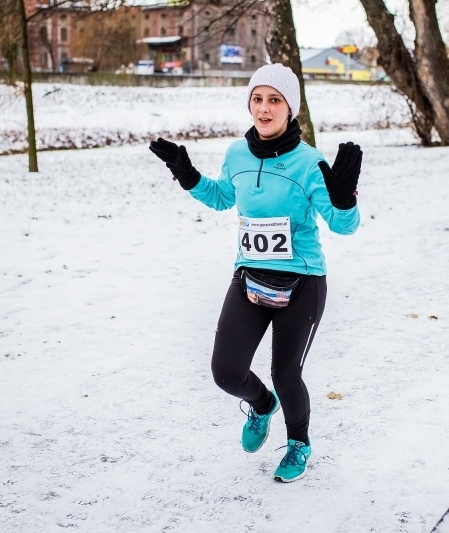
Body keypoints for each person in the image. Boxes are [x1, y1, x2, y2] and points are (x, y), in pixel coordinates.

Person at [149, 63, 362, 483]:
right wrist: (187, 175)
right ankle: (263, 406)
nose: (264, 109)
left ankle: (299, 443)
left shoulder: (309, 162)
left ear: (290, 109)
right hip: (248, 275)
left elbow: (342, 226)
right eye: (258, 99)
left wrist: (344, 198)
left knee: (286, 373)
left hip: (302, 281)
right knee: (226, 373)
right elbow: (222, 197)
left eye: (275, 100)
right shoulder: (236, 154)